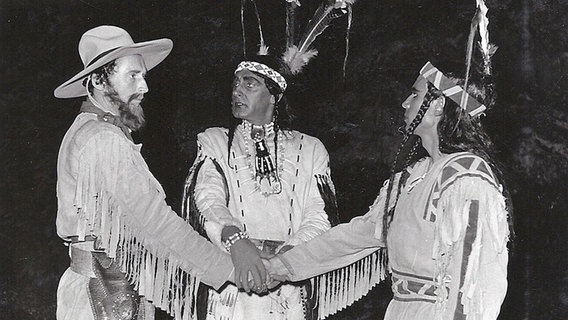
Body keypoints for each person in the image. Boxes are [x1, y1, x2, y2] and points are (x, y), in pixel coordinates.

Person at [265, 61, 513, 320]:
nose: (406, 103)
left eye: (415, 94)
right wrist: (281, 266)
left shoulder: (465, 178)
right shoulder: (413, 175)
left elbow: (477, 283)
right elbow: (356, 235)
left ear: (439, 104)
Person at [54, 25, 250, 320]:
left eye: (143, 76)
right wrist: (229, 269)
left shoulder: (94, 129)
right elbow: (155, 224)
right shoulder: (102, 139)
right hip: (103, 298)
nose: (144, 87)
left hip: (111, 289)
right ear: (97, 79)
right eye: (133, 75)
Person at [182, 54, 337, 320]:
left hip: (288, 282)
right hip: (233, 276)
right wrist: (237, 242)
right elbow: (208, 198)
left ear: (274, 95)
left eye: (249, 83)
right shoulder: (215, 142)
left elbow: (319, 214)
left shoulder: (311, 149)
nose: (236, 91)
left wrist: (286, 259)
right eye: (235, 83)